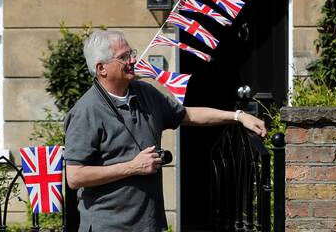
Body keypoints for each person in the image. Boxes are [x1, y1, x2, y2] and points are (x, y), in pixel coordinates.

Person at [64, 29, 267, 232]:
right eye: (124, 57)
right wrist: (132, 167)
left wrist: (238, 116)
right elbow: (75, 177)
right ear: (102, 69)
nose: (133, 60)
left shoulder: (145, 93)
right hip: (108, 227)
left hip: (150, 225)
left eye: (131, 53)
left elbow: (188, 115)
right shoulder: (86, 111)